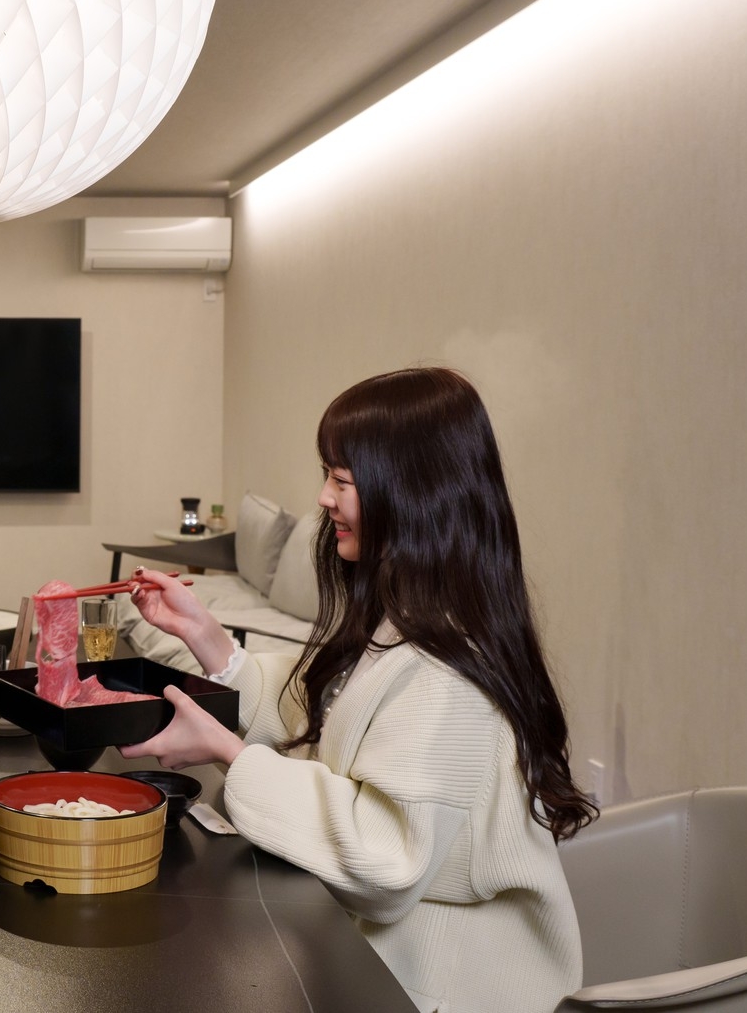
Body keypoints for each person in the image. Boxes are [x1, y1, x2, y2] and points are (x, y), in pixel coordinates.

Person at [120, 367, 593, 1013]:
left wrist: (233, 757)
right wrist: (208, 639)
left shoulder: (447, 668)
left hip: (441, 978)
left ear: (412, 493)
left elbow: (386, 860)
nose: (321, 498)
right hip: (379, 948)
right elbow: (324, 713)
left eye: (340, 480)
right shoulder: (412, 618)